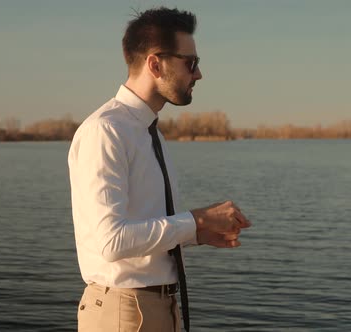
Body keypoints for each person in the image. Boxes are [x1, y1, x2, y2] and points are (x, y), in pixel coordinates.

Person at [68, 7, 252, 332]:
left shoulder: (148, 132)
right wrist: (195, 220)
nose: (198, 75)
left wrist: (195, 234)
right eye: (190, 63)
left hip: (156, 309)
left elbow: (140, 229)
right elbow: (111, 242)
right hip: (124, 314)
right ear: (155, 64)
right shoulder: (106, 131)